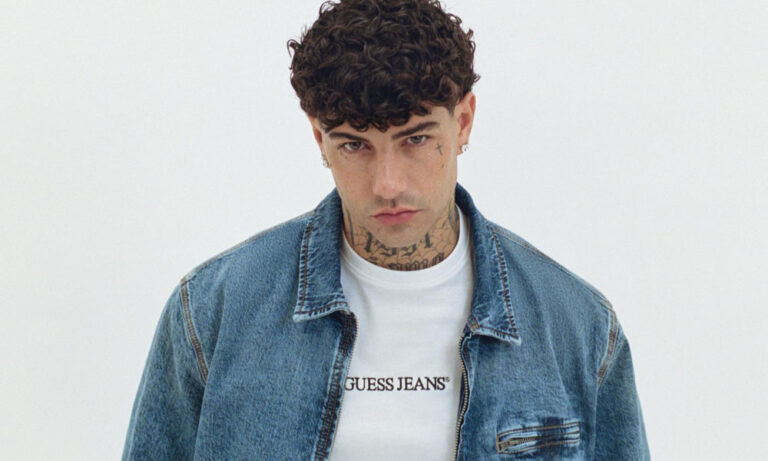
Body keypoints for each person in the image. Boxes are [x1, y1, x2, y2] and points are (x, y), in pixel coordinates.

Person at [122, 0, 649, 459]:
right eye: (355, 145)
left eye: (415, 139)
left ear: (463, 122)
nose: (387, 184)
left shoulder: (576, 325)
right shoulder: (213, 311)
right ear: (319, 139)